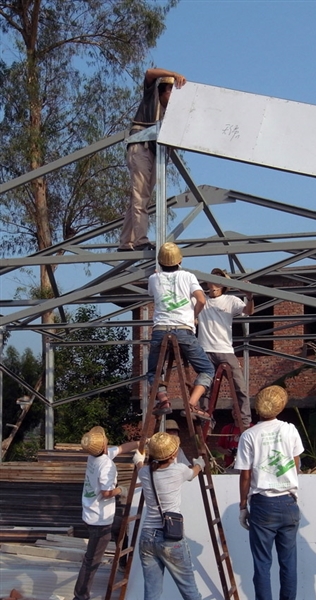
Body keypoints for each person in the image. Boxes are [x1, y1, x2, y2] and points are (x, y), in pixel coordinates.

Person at [235, 386, 304, 600]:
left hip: (262, 503)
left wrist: (243, 506)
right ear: (280, 407)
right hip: (288, 500)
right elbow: (296, 463)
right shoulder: (289, 429)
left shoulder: (249, 435)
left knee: (262, 564)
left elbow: (245, 475)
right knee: (288, 563)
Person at [118, 68, 186, 252]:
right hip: (141, 148)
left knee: (139, 198)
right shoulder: (152, 98)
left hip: (154, 154)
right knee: (141, 195)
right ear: (164, 91)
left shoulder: (167, 114)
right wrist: (174, 74)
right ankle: (140, 240)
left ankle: (126, 241)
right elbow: (149, 72)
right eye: (171, 93)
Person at [133, 432, 205, 600]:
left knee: (151, 593)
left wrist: (138, 459)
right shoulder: (178, 470)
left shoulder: (144, 473)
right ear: (173, 454)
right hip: (170, 536)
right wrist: (200, 464)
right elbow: (193, 473)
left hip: (147, 535)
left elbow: (140, 465)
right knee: (189, 590)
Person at [147, 242, 214, 419]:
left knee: (154, 371)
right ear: (180, 260)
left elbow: (152, 293)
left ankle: (163, 399)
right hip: (183, 330)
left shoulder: (153, 279)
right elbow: (201, 300)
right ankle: (191, 404)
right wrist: (193, 316)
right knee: (207, 369)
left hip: (160, 330)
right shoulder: (188, 276)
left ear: (160, 262)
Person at [73, 426, 138, 600]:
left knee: (121, 527)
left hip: (92, 512)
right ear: (103, 446)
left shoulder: (94, 457)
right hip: (100, 521)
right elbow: (107, 493)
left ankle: (123, 562)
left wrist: (140, 443)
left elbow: (122, 448)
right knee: (91, 561)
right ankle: (80, 597)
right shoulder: (107, 464)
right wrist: (121, 490)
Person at [196, 267, 254, 428]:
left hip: (225, 350)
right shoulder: (201, 299)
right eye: (211, 279)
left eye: (217, 280)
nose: (213, 283)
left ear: (222, 284)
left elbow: (248, 311)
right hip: (206, 350)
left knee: (239, 387)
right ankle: (206, 419)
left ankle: (245, 421)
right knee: (205, 387)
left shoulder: (230, 300)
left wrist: (249, 296)